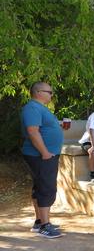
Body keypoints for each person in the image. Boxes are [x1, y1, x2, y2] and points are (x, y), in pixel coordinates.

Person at [21, 82, 64, 238]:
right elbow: (33, 132)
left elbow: (42, 128)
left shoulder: (40, 108)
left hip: (44, 155)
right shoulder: (32, 108)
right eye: (49, 92)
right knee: (46, 187)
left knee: (40, 186)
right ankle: (45, 226)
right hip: (40, 155)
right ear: (38, 92)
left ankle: (40, 222)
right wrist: (45, 152)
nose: (51, 95)